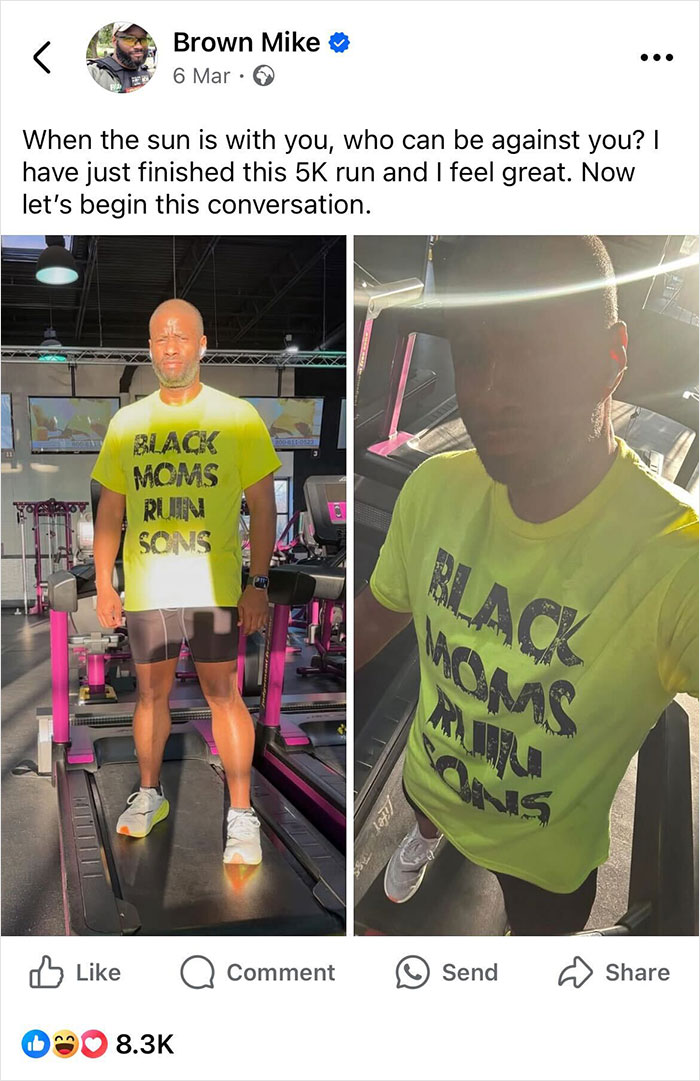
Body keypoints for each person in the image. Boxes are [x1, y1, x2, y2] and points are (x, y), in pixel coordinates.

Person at [355, 235, 699, 934]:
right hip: (432, 777)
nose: (491, 393)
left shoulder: (677, 559)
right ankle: (424, 839)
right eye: (473, 354)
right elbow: (374, 618)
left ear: (612, 357)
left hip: (547, 856)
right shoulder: (433, 490)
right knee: (426, 813)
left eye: (536, 351)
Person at [92, 299, 280, 865]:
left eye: (181, 337)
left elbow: (263, 507)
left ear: (202, 344)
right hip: (149, 591)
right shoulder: (127, 423)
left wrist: (258, 582)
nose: (170, 347)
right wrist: (105, 582)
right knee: (150, 696)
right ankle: (150, 794)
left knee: (224, 696)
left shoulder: (237, 416)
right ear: (150, 349)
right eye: (160, 338)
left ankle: (241, 813)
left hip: (211, 591)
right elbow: (110, 511)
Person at [88, 23, 152, 94]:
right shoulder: (95, 74)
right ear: (114, 41)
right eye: (130, 39)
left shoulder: (148, 74)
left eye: (143, 39)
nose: (139, 46)